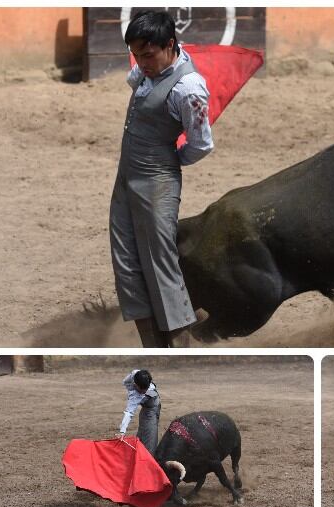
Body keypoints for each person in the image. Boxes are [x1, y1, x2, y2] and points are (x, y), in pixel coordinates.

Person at [109, 10, 214, 348]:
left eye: (148, 54)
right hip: (126, 178)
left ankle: (182, 349)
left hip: (157, 182)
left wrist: (165, 163)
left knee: (160, 264)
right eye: (136, 55)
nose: (141, 63)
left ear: (169, 44)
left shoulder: (189, 88)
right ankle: (153, 348)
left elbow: (201, 144)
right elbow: (136, 85)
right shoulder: (144, 70)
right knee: (126, 262)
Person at [118, 369, 161, 456]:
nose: (144, 392)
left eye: (146, 389)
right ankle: (142, 455)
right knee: (144, 432)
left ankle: (146, 456)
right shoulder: (135, 395)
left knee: (150, 437)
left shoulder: (146, 386)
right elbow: (128, 413)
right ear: (135, 385)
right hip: (146, 408)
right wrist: (122, 432)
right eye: (142, 390)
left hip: (152, 408)